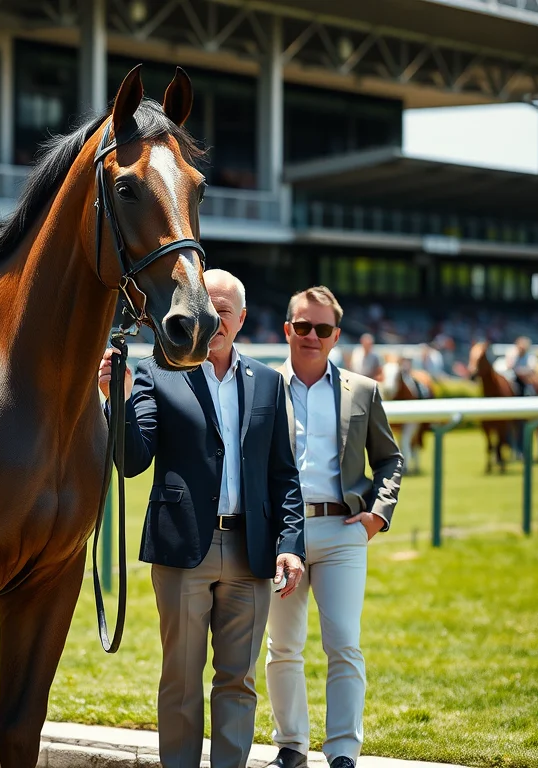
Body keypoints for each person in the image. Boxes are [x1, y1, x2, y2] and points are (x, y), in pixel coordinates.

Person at [97, 269, 305, 768]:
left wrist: (290, 543)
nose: (213, 321)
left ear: (241, 319)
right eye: (205, 310)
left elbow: (285, 476)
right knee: (182, 679)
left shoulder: (270, 384)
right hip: (182, 550)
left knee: (238, 681)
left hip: (250, 551)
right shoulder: (155, 372)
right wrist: (117, 397)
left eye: (224, 311)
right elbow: (132, 461)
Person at [265, 286, 403, 768]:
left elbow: (390, 459)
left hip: (344, 531)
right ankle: (290, 746)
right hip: (284, 535)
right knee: (283, 646)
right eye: (302, 326)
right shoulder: (262, 385)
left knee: (343, 642)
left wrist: (376, 515)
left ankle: (343, 751)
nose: (311, 336)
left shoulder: (362, 390)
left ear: (336, 335)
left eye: (322, 329)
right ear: (288, 329)